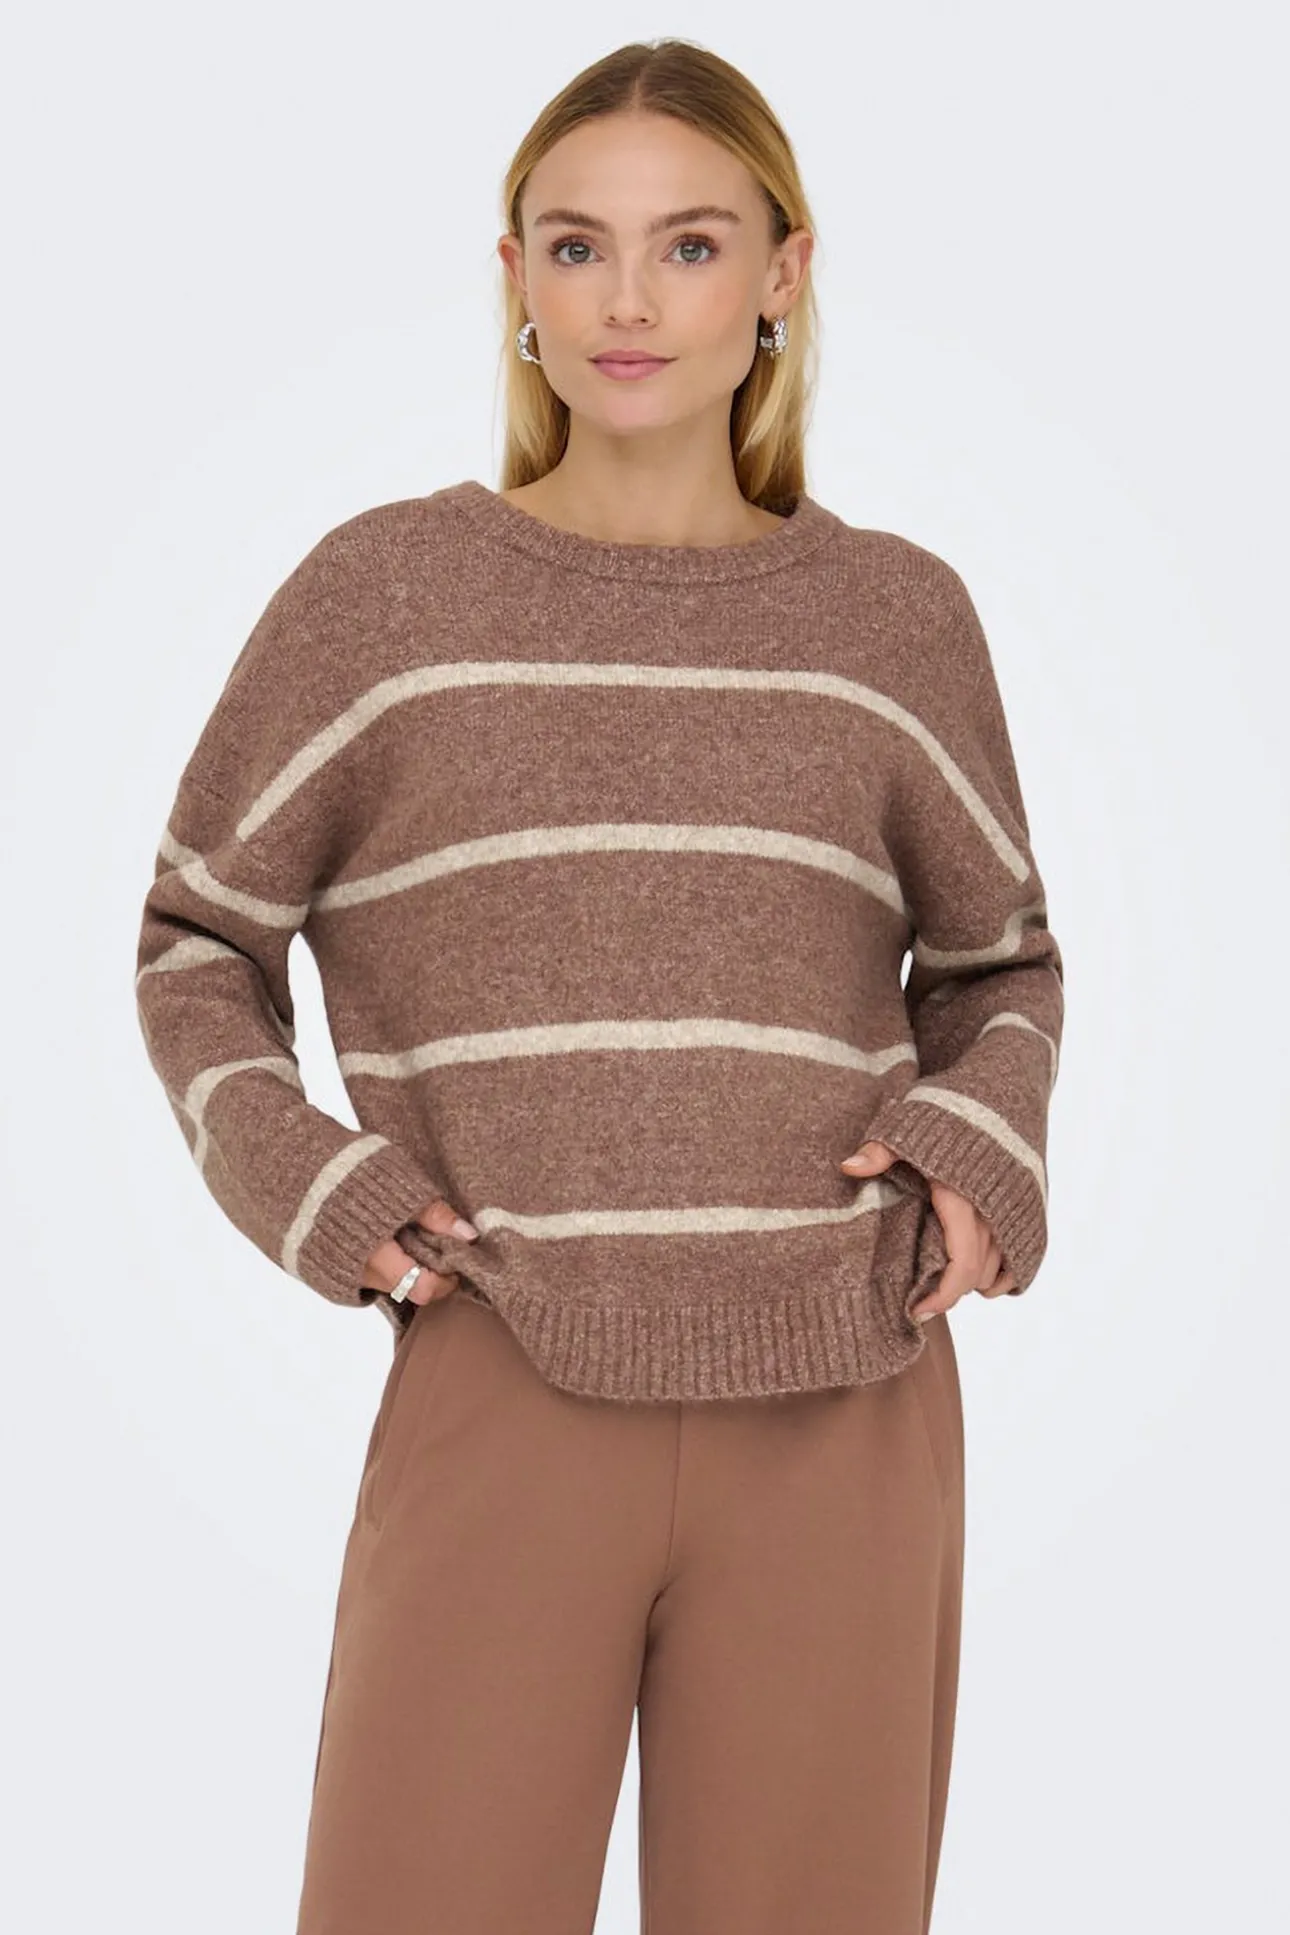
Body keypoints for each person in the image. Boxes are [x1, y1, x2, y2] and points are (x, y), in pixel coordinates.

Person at [133, 36, 1064, 1935]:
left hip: (843, 1390)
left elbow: (996, 964)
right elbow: (197, 940)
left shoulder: (894, 619)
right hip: (505, 1362)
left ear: (782, 273)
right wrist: (327, 1189)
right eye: (578, 247)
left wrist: (978, 1145)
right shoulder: (383, 600)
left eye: (689, 245)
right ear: (517, 280)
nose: (629, 300)